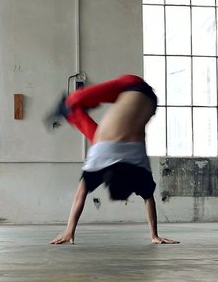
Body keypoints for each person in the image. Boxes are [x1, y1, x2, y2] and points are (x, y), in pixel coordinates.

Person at [45, 74, 179, 245]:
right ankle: (69, 107)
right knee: (74, 103)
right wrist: (154, 235)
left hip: (144, 98)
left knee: (94, 133)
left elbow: (148, 198)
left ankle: (70, 111)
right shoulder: (101, 160)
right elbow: (81, 195)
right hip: (132, 87)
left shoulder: (139, 164)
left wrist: (69, 232)